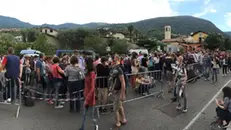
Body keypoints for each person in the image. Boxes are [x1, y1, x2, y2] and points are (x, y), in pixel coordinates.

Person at [79, 57, 98, 130]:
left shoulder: (92, 74)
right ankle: (82, 127)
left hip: (90, 97)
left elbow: (92, 88)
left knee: (91, 116)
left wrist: (87, 99)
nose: (83, 63)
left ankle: (95, 126)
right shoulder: (87, 71)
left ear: (87, 63)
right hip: (86, 95)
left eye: (84, 62)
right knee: (84, 114)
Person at [109, 54, 127, 127]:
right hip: (115, 90)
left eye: (116, 58)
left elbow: (123, 82)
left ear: (118, 59)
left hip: (119, 90)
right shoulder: (114, 67)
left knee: (115, 108)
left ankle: (118, 122)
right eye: (114, 58)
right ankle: (123, 119)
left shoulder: (119, 68)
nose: (114, 59)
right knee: (119, 106)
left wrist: (123, 94)